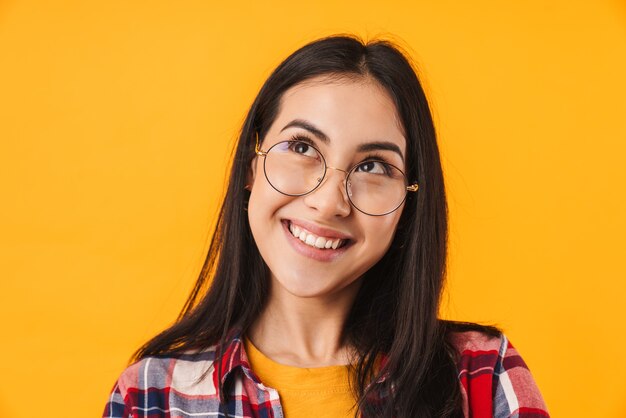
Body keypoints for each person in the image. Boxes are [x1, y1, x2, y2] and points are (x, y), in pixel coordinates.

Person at [103, 35, 549, 418]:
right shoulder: (152, 396)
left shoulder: (483, 377)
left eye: (373, 165)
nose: (328, 202)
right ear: (249, 166)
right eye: (301, 146)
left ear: (409, 201)